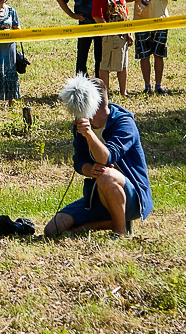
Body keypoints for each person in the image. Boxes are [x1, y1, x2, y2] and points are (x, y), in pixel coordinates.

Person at [44, 79, 152, 238]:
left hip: (133, 198)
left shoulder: (124, 122)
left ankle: (120, 232)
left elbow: (107, 158)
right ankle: (113, 221)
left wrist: (89, 134)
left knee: (106, 176)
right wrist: (90, 169)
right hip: (98, 196)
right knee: (53, 229)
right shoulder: (81, 124)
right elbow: (79, 162)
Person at [125, 0, 178, 94]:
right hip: (141, 23)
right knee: (144, 55)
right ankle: (147, 86)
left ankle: (158, 86)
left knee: (159, 54)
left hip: (161, 22)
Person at [57, 0, 105, 79]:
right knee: (82, 56)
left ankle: (99, 83)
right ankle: (81, 84)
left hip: (101, 24)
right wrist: (72, 15)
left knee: (100, 56)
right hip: (84, 23)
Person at [93, 0, 133, 95]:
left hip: (123, 36)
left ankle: (123, 92)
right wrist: (107, 32)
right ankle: (105, 93)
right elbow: (96, 16)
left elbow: (125, 14)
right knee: (105, 65)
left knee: (123, 64)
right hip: (110, 35)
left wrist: (129, 33)